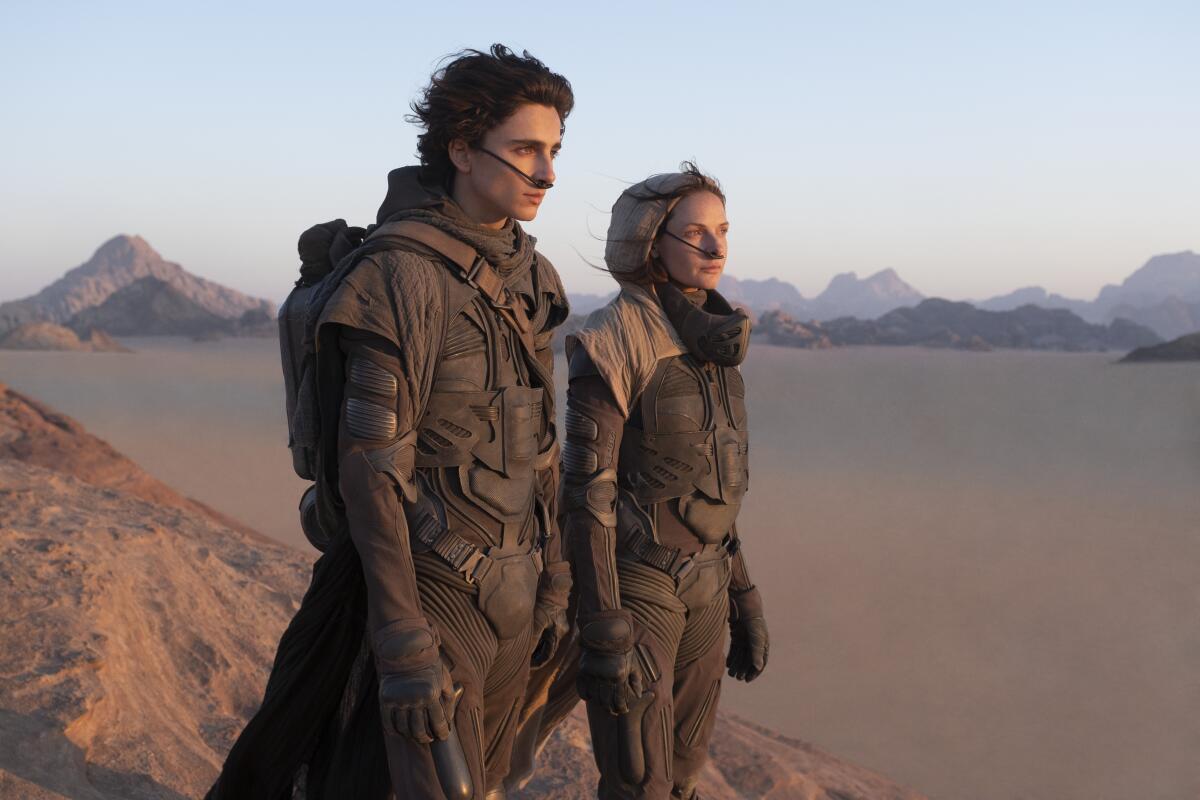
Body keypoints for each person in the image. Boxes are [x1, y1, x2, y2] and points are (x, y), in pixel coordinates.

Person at [207, 45, 573, 800]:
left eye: (555, 151)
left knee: (490, 782)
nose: (547, 173)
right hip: (435, 590)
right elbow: (370, 468)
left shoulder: (533, 276)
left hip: (520, 594)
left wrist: (557, 579)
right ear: (462, 149)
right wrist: (404, 644)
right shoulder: (398, 275)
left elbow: (540, 446)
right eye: (526, 149)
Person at [552, 164, 770, 799]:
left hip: (708, 589)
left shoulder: (715, 345)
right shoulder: (614, 339)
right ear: (651, 243)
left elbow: (714, 490)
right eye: (695, 232)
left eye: (723, 230)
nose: (715, 247)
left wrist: (745, 597)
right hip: (643, 590)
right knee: (638, 783)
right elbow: (586, 496)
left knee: (683, 781)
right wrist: (601, 626)